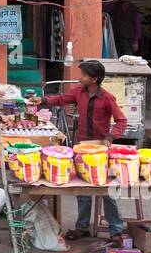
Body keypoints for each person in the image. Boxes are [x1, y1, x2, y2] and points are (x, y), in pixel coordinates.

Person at [27, 60, 128, 243]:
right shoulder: (79, 92)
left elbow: (121, 121)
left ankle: (116, 230)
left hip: (100, 149)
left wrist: (111, 136)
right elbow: (60, 99)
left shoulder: (107, 98)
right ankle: (82, 227)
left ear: (94, 79)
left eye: (83, 75)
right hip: (81, 146)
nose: (80, 78)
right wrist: (42, 100)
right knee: (82, 190)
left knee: (106, 191)